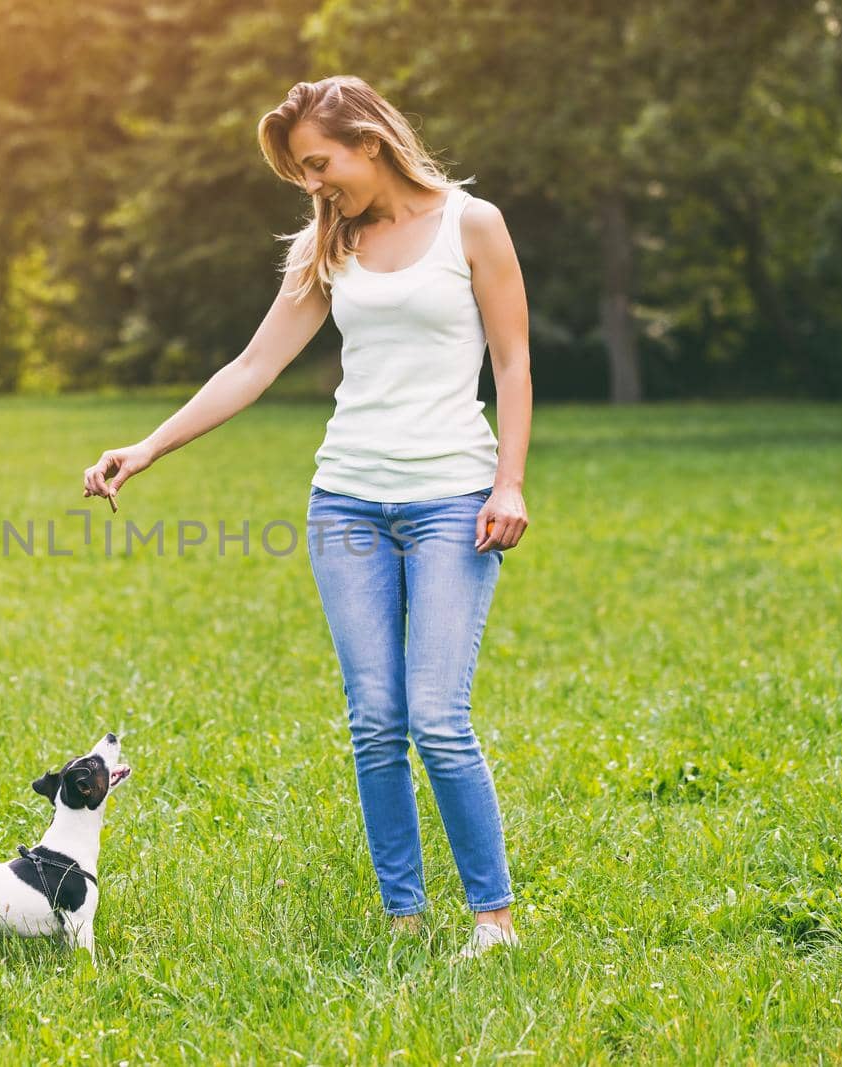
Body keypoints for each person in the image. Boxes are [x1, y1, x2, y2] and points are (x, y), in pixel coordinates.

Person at [81, 75, 531, 961]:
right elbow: (251, 368)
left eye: (321, 164)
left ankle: (494, 918)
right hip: (348, 502)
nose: (316, 185)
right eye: (302, 173)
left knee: (437, 716)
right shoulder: (326, 246)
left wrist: (507, 483)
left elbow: (513, 364)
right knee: (375, 718)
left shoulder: (471, 224)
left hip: (452, 497)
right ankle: (404, 914)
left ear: (369, 138)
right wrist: (147, 447)